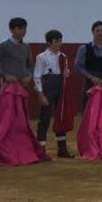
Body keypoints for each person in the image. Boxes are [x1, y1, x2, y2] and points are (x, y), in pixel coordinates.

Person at [33, 28, 73, 157]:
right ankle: (41, 150)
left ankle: (62, 149)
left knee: (61, 117)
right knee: (44, 118)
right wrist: (40, 93)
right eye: (56, 41)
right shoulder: (41, 57)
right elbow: (37, 76)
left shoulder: (63, 56)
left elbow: (65, 73)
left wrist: (67, 74)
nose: (58, 44)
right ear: (48, 43)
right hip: (48, 87)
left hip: (60, 87)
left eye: (60, 41)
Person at [0, 17, 34, 88]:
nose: (23, 31)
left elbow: (30, 65)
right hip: (8, 86)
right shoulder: (3, 45)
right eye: (20, 28)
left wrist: (29, 76)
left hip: (23, 85)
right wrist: (5, 75)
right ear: (11, 30)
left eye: (24, 28)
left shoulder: (26, 46)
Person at [74, 20, 102, 101]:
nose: (100, 33)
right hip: (90, 82)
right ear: (92, 32)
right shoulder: (84, 48)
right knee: (89, 109)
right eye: (97, 31)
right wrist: (91, 77)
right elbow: (78, 66)